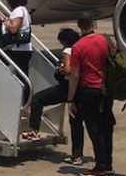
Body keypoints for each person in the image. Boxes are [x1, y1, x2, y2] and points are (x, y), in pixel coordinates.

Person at [23, 27, 85, 165]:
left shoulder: (68, 50)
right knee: (77, 123)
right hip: (82, 88)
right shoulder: (80, 49)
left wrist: (60, 69)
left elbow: (68, 70)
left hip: (67, 88)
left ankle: (34, 130)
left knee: (38, 99)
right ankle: (78, 155)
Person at [68, 17, 116, 176]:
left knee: (94, 129)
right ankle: (107, 163)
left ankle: (101, 166)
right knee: (107, 127)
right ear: (93, 25)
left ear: (79, 27)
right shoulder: (106, 40)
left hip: (89, 91)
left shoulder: (78, 47)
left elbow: (74, 75)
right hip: (106, 89)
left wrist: (70, 99)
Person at [0, 0, 33, 94]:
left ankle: (24, 102)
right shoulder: (24, 10)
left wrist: (4, 20)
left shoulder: (18, 11)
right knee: (23, 76)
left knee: (21, 78)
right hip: (24, 49)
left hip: (19, 50)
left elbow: (13, 29)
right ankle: (25, 102)